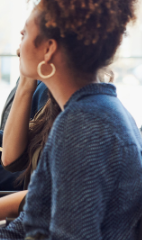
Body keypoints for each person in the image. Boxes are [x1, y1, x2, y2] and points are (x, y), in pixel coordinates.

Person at [0, 0, 142, 239]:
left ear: (48, 49)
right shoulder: (97, 110)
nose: (18, 46)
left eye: (24, 34)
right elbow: (32, 220)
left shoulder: (84, 127)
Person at [0, 68, 113, 220]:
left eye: (24, 42)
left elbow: (55, 199)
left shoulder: (82, 116)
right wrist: (26, 82)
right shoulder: (61, 102)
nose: (19, 49)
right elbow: (11, 161)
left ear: (49, 48)